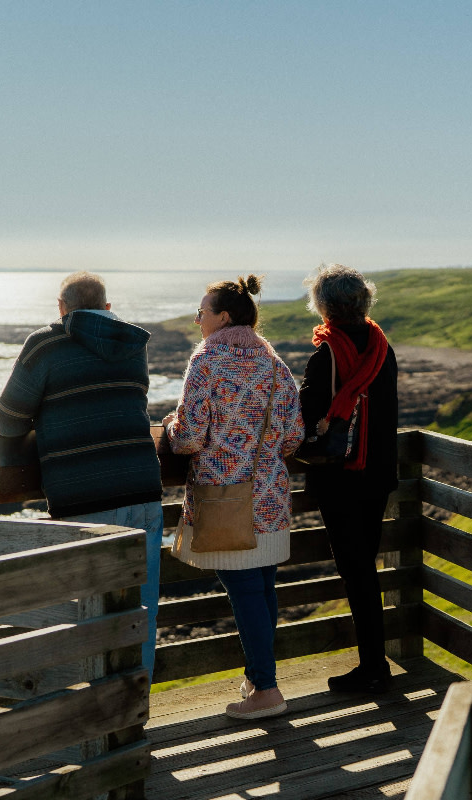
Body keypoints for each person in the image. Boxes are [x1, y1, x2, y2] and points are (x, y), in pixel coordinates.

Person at [0, 271, 164, 678]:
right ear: (107, 308)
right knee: (141, 611)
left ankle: (95, 721)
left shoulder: (46, 343)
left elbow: (9, 417)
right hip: (143, 490)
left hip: (84, 498)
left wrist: (52, 420)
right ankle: (134, 710)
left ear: (61, 308)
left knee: (85, 616)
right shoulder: (132, 342)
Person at [163, 275, 303, 719]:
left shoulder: (206, 360)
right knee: (261, 588)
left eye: (201, 312)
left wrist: (167, 427)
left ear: (223, 317)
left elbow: (186, 440)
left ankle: (266, 689)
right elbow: (293, 436)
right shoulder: (273, 362)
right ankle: (257, 677)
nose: (197, 319)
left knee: (244, 591)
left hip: (225, 497)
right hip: (270, 497)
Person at [299, 263, 399, 694]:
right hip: (377, 472)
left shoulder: (327, 355)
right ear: (364, 302)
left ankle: (374, 669)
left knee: (355, 570)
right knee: (366, 569)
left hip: (341, 477)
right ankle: (375, 665)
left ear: (323, 308)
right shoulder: (382, 346)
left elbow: (301, 417)